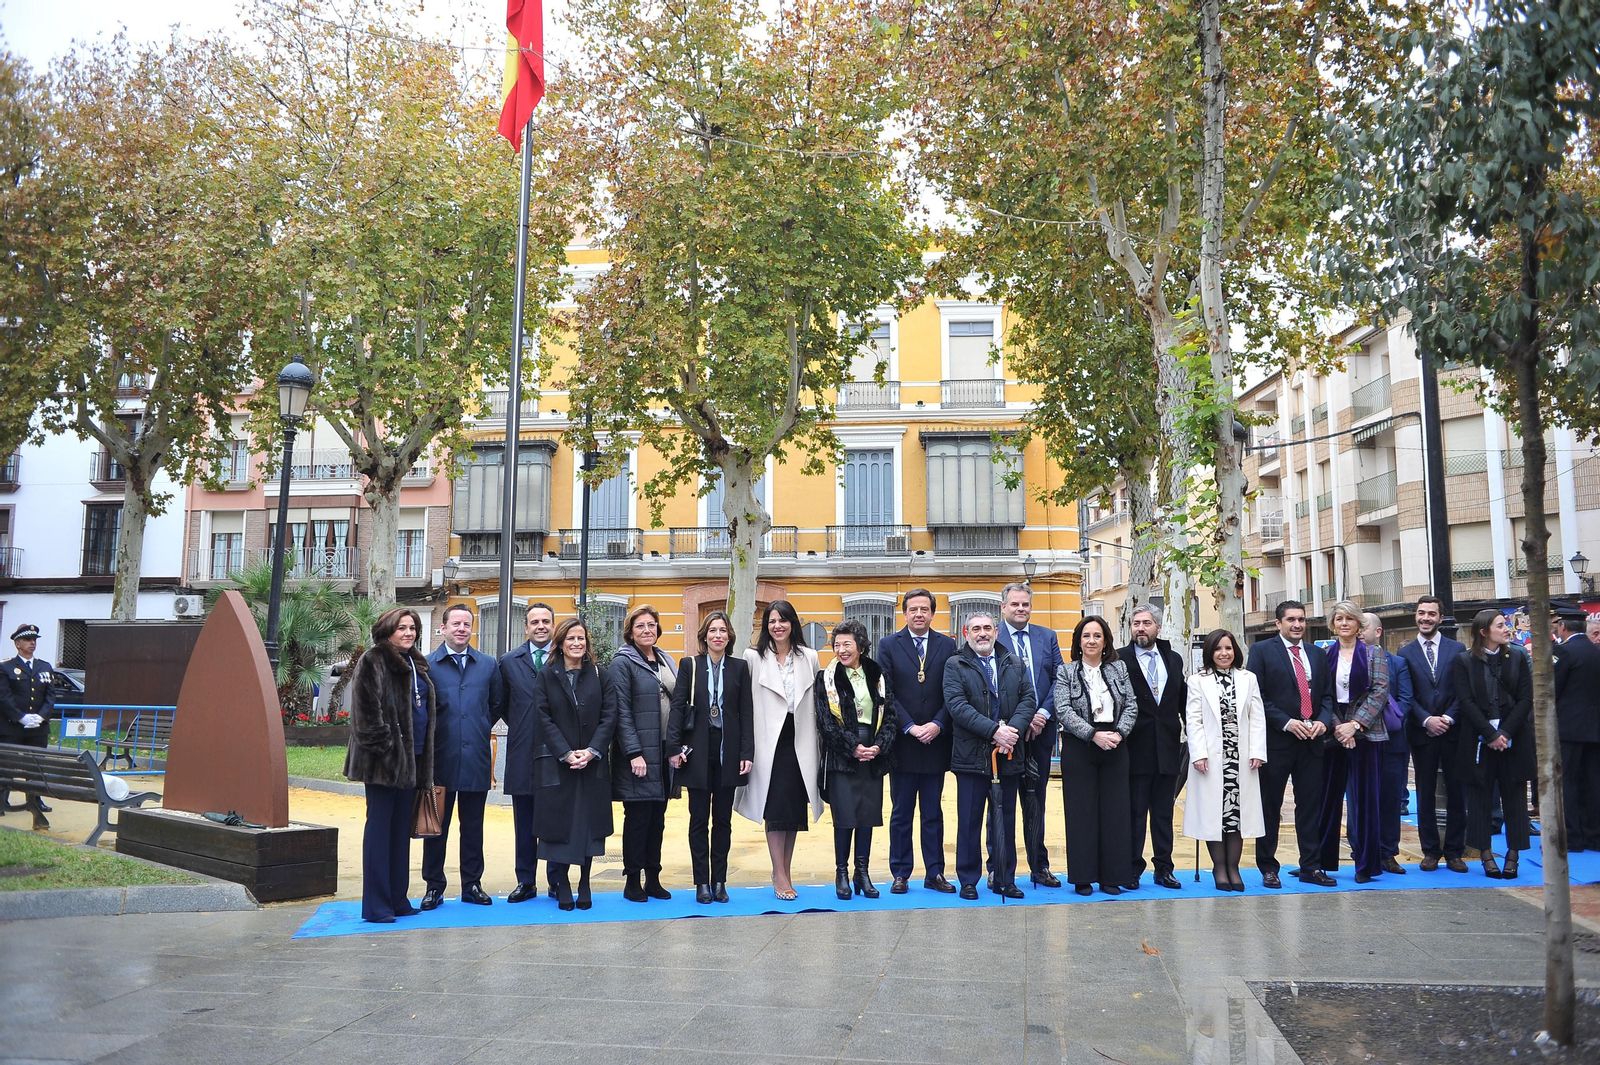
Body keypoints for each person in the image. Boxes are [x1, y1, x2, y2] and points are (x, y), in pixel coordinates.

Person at [344, 607, 436, 923]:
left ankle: (398, 899)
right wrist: (388, 749)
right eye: (402, 628)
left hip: (414, 760)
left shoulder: (416, 663)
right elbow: (365, 715)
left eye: (412, 628)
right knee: (380, 832)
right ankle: (377, 906)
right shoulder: (373, 659)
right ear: (387, 630)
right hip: (383, 763)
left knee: (399, 833)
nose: (408, 633)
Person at [944, 611, 1036, 900]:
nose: (982, 633)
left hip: (1008, 755)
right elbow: (957, 706)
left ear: (996, 632)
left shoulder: (1014, 662)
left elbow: (1028, 700)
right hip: (970, 757)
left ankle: (1005, 879)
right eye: (976, 629)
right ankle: (968, 881)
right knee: (969, 822)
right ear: (966, 633)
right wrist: (995, 731)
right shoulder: (955, 664)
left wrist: (1011, 733)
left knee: (1005, 820)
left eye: (987, 628)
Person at [736, 600, 823, 900]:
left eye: (783, 620)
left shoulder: (809, 657)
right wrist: (745, 748)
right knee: (774, 808)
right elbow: (745, 705)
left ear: (792, 623)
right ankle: (779, 874)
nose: (777, 626)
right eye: (772, 621)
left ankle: (785, 869)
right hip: (767, 742)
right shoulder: (753, 657)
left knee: (793, 810)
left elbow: (817, 703)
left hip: (801, 741)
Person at [1246, 599, 1336, 888]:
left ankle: (1311, 866)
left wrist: (1323, 721)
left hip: (1312, 741)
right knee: (1270, 806)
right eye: (1291, 620)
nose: (1297, 625)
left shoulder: (1317, 654)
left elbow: (1327, 695)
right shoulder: (1262, 651)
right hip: (1277, 741)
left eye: (1301, 619)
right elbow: (1256, 696)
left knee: (1310, 806)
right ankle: (1268, 868)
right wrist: (1286, 722)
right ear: (1278, 623)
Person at [421, 604, 506, 909]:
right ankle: (434, 886)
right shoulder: (427, 665)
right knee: (434, 828)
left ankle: (472, 884)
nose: (461, 629)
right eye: (455, 623)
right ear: (442, 628)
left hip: (475, 760)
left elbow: (496, 705)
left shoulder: (488, 665)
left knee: (472, 828)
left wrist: (477, 727)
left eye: (466, 624)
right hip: (438, 762)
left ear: (473, 628)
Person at [667, 610, 754, 904]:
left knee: (723, 821)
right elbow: (678, 708)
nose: (718, 635)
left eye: (723, 630)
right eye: (713, 630)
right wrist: (674, 748)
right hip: (697, 750)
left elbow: (746, 712)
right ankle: (701, 882)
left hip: (728, 750)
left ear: (729, 636)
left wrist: (746, 752)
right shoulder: (690, 665)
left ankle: (720, 881)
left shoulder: (739, 667)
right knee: (698, 820)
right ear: (704, 636)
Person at [878, 589, 958, 894]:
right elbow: (886, 693)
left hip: (936, 742)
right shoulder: (889, 645)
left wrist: (938, 723)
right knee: (901, 812)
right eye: (913, 609)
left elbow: (954, 690)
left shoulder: (947, 645)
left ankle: (934, 872)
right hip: (904, 743)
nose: (919, 614)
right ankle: (900, 873)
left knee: (933, 812)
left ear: (933, 613)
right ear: (904, 613)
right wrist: (910, 726)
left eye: (925, 609)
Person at [535, 617, 618, 910]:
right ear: (560, 643)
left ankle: (584, 882)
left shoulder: (600, 675)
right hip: (558, 764)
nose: (576, 643)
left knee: (588, 827)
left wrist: (592, 751)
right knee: (560, 826)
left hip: (592, 764)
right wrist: (566, 752)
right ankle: (563, 882)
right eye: (570, 638)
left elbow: (610, 715)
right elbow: (542, 717)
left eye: (581, 638)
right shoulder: (546, 675)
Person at [1054, 615, 1138, 896]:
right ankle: (1083, 877)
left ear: (1105, 641)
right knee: (1082, 813)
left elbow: (1131, 705)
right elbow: (1063, 710)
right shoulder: (1066, 672)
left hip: (1115, 744)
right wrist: (1093, 735)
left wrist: (1119, 733)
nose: (1091, 641)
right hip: (1080, 746)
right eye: (1086, 636)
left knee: (1115, 812)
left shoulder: (1119, 669)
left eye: (1097, 636)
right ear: (1078, 641)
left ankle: (1112, 877)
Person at [815, 619, 897, 900]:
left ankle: (862, 872)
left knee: (866, 816)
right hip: (842, 756)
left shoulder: (878, 674)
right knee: (845, 817)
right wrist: (853, 748)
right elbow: (826, 722)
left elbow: (890, 715)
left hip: (873, 753)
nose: (841, 650)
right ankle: (841, 873)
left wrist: (879, 746)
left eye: (846, 644)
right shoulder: (826, 678)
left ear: (860, 646)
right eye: (836, 645)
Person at [1452, 609, 1534, 879]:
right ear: (1484, 631)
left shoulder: (1517, 657)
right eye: (1500, 625)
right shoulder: (1464, 661)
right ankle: (1485, 854)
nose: (1506, 628)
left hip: (1514, 738)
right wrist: (1490, 734)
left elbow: (1525, 698)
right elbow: (1465, 701)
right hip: (1479, 739)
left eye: (1505, 624)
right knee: (1479, 797)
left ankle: (1513, 854)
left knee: (1515, 797)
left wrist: (1506, 733)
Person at [1183, 629, 1267, 891]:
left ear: (1235, 651)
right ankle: (1219, 867)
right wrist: (1198, 754)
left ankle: (1234, 867)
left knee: (1237, 816)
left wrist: (1257, 751)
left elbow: (1257, 717)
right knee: (1214, 815)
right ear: (1210, 652)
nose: (1224, 653)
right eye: (1218, 649)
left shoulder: (1248, 678)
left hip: (1241, 759)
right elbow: (1193, 720)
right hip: (1210, 760)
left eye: (1228, 648)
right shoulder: (1197, 681)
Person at [996, 582, 1065, 888]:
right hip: (1005, 735)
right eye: (1015, 604)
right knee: (1001, 804)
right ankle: (999, 868)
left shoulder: (1047, 637)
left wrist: (1043, 714)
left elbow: (1059, 679)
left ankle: (1039, 866)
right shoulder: (991, 636)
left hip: (1041, 731)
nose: (1020, 609)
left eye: (1025, 604)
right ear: (1004, 607)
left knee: (1036, 802)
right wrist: (1016, 723)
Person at [1317, 600, 1390, 883]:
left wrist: (1355, 725)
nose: (1344, 623)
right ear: (1332, 624)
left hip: (1367, 733)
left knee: (1365, 801)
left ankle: (1366, 865)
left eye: (1349, 618)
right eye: (1339, 619)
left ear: (1359, 623)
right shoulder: (1325, 655)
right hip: (1334, 733)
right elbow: (1323, 694)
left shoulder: (1374, 653)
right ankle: (1322, 861)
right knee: (1328, 798)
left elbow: (1380, 692)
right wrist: (1339, 727)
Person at [610, 605, 678, 903]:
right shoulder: (622, 663)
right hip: (638, 753)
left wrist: (678, 746)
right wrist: (633, 752)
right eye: (640, 626)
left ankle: (653, 878)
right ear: (630, 632)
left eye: (651, 624)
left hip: (664, 750)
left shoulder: (665, 659)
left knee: (658, 818)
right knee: (638, 818)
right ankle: (632, 881)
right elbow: (621, 712)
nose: (647, 630)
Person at [1118, 606, 1188, 890]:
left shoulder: (1173, 659)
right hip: (1134, 748)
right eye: (1136, 623)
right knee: (1134, 813)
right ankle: (1132, 868)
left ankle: (1164, 868)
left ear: (1158, 627)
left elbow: (1182, 701)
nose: (1140, 628)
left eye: (1146, 623)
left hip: (1168, 747)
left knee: (1163, 813)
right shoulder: (1120, 659)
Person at [1397, 596, 1468, 873]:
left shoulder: (1457, 649)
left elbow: (1463, 690)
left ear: (1440, 618)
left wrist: (1447, 718)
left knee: (1456, 792)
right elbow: (1406, 694)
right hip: (1422, 732)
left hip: (1453, 731)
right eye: (1421, 613)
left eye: (1431, 613)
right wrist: (1426, 719)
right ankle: (1430, 851)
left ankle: (1454, 852)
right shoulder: (1405, 653)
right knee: (1424, 793)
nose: (1425, 618)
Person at [497, 602, 557, 903]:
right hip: (523, 751)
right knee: (524, 822)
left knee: (556, 821)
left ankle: (556, 879)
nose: (540, 626)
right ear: (526, 627)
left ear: (553, 625)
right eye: (535, 622)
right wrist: (524, 725)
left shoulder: (564, 657)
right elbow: (502, 704)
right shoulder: (509, 662)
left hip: (558, 753)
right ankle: (526, 881)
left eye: (546, 621)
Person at [1360, 612, 1413, 876]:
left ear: (1377, 632)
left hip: (1392, 742)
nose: (1358, 631)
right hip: (1360, 740)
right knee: (1360, 799)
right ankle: (1362, 851)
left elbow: (1405, 700)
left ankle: (1387, 852)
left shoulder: (1398, 663)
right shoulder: (1346, 660)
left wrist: (1379, 720)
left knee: (1391, 800)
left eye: (1363, 627)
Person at [0, 623, 56, 829]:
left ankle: (35, 800)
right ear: (17, 644)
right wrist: (20, 717)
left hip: (38, 728)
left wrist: (41, 717)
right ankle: (2, 800)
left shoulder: (44, 667)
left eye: (34, 640)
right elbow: (4, 697)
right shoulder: (5, 667)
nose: (32, 643)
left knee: (36, 765)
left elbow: (50, 695)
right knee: (7, 765)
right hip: (12, 726)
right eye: (27, 640)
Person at [1554, 608, 1600, 853]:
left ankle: (1572, 836)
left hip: (1569, 729)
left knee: (1567, 783)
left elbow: (1553, 689)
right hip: (1595, 729)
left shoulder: (1563, 651)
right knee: (1594, 783)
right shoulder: (1596, 651)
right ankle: (1595, 835)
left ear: (1563, 626)